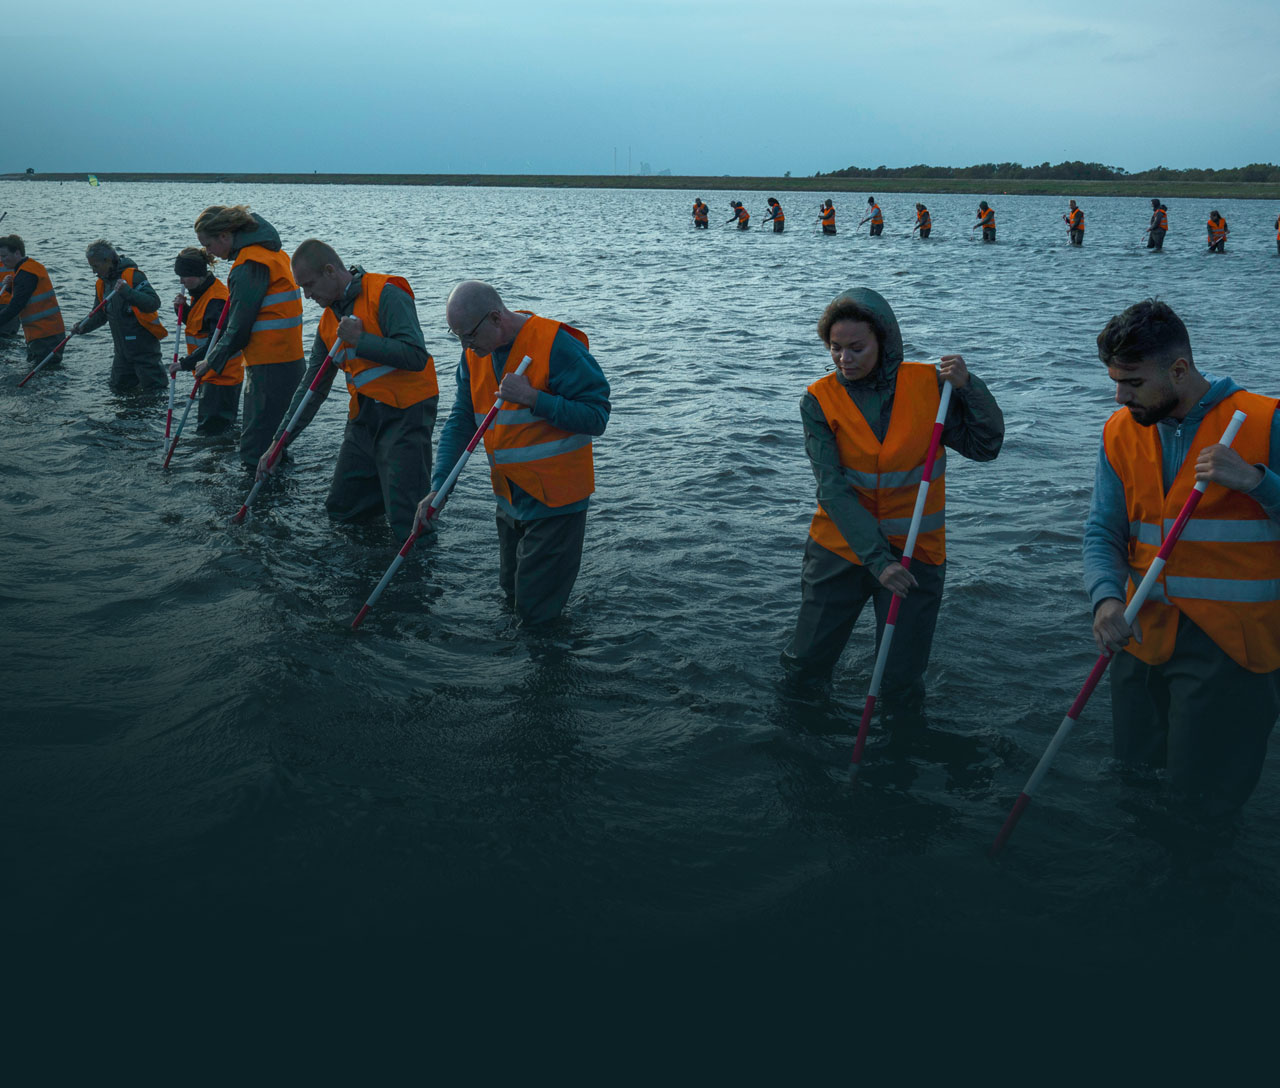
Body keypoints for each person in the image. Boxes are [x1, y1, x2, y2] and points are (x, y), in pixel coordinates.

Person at [1085, 299, 1280, 826]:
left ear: (1178, 370)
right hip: (1140, 634)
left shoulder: (1266, 421)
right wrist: (1105, 599)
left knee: (1202, 810)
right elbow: (1103, 530)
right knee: (1134, 789)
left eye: (1132, 382)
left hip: (1232, 650)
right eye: (1115, 381)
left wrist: (1257, 482)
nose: (1120, 396)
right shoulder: (1119, 430)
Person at [780, 288, 1005, 721]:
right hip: (841, 549)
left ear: (883, 342)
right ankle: (798, 734)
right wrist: (878, 561)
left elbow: (985, 446)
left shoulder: (930, 388)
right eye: (835, 348)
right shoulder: (818, 400)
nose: (844, 359)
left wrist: (970, 387)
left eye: (857, 347)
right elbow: (832, 489)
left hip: (915, 552)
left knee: (901, 679)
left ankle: (899, 746)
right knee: (806, 664)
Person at [416, 281, 610, 626]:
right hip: (509, 498)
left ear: (495, 318)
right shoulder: (474, 354)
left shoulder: (556, 345)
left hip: (556, 503)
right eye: (456, 336)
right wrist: (440, 487)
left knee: (535, 614)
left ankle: (548, 655)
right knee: (511, 594)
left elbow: (596, 416)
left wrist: (534, 398)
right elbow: (461, 420)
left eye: (469, 336)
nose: (465, 346)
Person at [256, 239, 438, 541]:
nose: (307, 295)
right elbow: (312, 388)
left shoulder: (386, 293)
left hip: (406, 415)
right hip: (363, 418)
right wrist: (279, 442)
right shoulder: (328, 324)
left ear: (330, 271)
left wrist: (361, 340)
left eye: (309, 285)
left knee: (408, 520)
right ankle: (364, 561)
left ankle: (415, 566)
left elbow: (416, 356)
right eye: (302, 288)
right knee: (343, 508)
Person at [194, 205, 304, 467]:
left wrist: (210, 362)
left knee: (255, 448)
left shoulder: (249, 265)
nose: (208, 252)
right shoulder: (273, 253)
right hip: (290, 360)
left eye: (208, 244)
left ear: (224, 236)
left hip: (269, 366)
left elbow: (239, 329)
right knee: (275, 442)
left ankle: (256, 491)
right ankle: (279, 488)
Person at [74, 240, 168, 392]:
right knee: (118, 391)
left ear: (108, 261)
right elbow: (100, 315)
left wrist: (127, 292)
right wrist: (83, 326)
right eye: (91, 267)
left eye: (95, 266)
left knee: (154, 393)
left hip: (144, 352)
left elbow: (153, 303)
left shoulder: (133, 277)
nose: (93, 272)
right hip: (122, 354)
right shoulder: (102, 284)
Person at [171, 247, 243, 434]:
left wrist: (184, 364)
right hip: (209, 372)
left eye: (184, 276)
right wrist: (182, 311)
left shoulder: (216, 300)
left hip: (221, 376)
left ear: (197, 273)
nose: (181, 281)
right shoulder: (201, 292)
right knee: (217, 428)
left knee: (212, 431)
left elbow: (216, 342)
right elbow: (199, 327)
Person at [0, 234, 65, 367]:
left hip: (45, 335)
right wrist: (11, 287)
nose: (2, 260)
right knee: (43, 371)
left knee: (45, 372)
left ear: (17, 253)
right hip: (46, 332)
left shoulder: (26, 273)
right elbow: (28, 296)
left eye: (4, 256)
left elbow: (15, 306)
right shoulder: (31, 267)